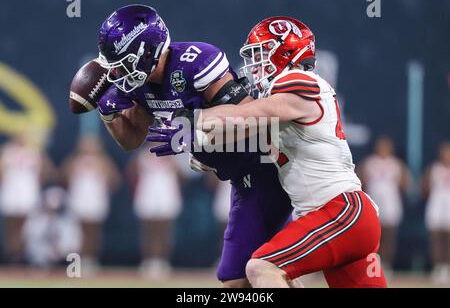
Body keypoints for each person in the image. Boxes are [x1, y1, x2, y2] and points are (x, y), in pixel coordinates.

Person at [163, 16, 388, 287]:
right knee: (270, 271)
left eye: (261, 54)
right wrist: (201, 146)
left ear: (287, 51)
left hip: (339, 211)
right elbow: (243, 136)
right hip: (340, 217)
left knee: (261, 268)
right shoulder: (284, 102)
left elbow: (252, 114)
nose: (255, 66)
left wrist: (195, 119)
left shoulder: (299, 80)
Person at [94, 4, 292, 287]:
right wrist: (109, 114)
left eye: (123, 64)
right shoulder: (140, 83)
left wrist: (196, 136)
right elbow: (131, 140)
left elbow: (254, 122)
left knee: (243, 278)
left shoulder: (195, 61)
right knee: (246, 278)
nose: (117, 74)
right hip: (241, 180)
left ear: (148, 51)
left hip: (264, 171)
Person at [61, 135, 120, 274]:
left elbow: (115, 180)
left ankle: (91, 259)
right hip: (79, 198)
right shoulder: (75, 161)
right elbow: (63, 176)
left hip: (95, 199)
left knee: (94, 231)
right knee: (78, 232)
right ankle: (77, 260)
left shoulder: (103, 161)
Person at [127, 146, 182, 278]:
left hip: (166, 195)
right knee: (148, 232)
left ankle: (162, 261)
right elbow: (131, 173)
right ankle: (148, 260)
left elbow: (183, 176)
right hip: (148, 195)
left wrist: (172, 162)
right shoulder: (143, 155)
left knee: (164, 232)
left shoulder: (174, 154)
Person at [357, 136, 410, 274]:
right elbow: (359, 180)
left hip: (390, 204)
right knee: (373, 236)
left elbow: (405, 182)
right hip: (374, 203)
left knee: (389, 236)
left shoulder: (396, 164)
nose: (383, 150)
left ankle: (386, 264)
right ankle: (372, 263)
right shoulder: (369, 163)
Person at [0, 132, 55, 264]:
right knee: (11, 224)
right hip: (12, 189)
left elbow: (46, 170)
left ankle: (21, 253)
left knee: (26, 226)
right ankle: (13, 254)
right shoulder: (8, 151)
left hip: (27, 191)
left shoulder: (34, 151)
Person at [422, 141, 450, 284]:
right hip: (437, 206)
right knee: (436, 239)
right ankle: (438, 267)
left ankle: (447, 267)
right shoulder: (434, 169)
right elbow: (425, 187)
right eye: (444, 153)